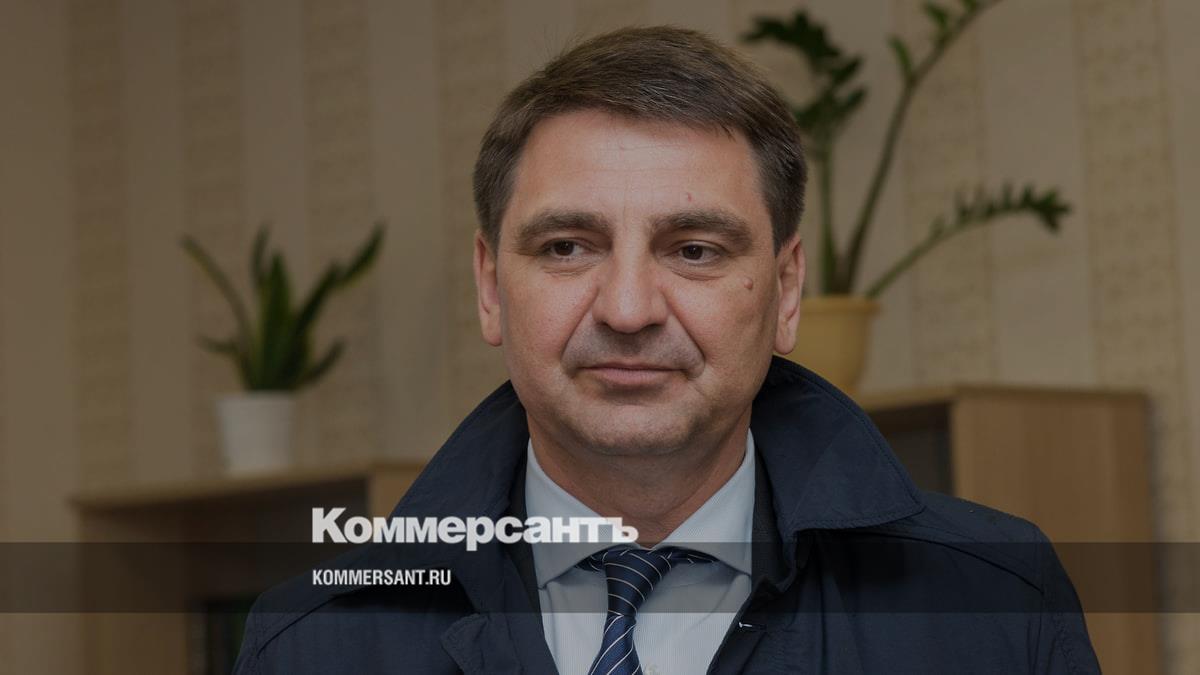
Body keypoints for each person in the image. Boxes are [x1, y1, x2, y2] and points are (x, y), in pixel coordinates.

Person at [234, 26, 1100, 674]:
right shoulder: (314, 642)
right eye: (567, 246)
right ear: (491, 286)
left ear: (786, 290)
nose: (628, 309)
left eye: (694, 249)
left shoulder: (993, 605)